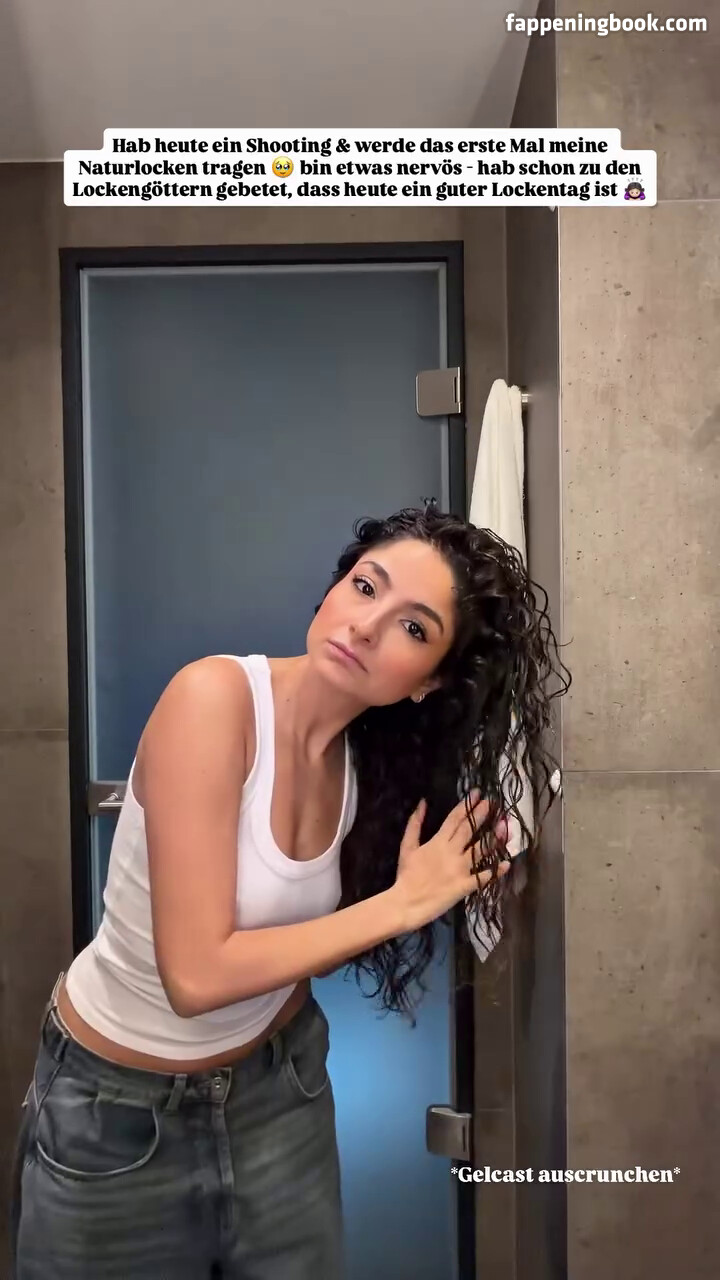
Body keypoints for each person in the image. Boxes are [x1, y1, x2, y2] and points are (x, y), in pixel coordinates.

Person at [10, 505, 569, 1279]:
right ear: (335, 586)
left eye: (413, 628)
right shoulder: (214, 699)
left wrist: (464, 867)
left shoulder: (369, 765)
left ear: (430, 681)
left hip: (279, 1090)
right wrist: (402, 904)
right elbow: (195, 978)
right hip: (115, 1115)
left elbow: (304, 944)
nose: (366, 626)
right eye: (366, 586)